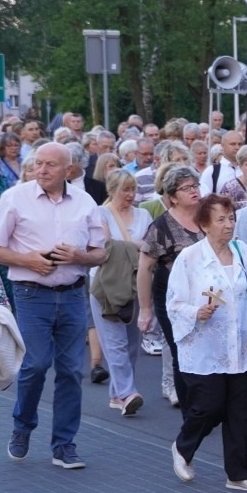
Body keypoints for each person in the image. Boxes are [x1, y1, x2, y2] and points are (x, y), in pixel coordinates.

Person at [166, 194, 247, 489]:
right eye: (220, 219)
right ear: (204, 225)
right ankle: (183, 448)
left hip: (242, 344)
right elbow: (174, 303)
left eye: (231, 218)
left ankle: (239, 474)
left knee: (242, 409)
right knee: (208, 406)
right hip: (204, 346)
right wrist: (196, 311)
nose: (228, 225)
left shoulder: (241, 251)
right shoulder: (190, 258)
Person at [0, 143, 107, 468]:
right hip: (31, 294)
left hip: (73, 294)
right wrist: (27, 260)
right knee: (36, 365)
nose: (41, 170)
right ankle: (22, 427)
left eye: (49, 165)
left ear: (68, 169)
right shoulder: (16, 198)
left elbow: (100, 251)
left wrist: (80, 257)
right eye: (38, 164)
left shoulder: (85, 202)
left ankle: (64, 445)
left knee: (72, 371)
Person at [138, 166, 205, 410]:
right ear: (172, 196)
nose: (194, 191)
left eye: (195, 186)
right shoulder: (162, 226)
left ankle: (206, 401)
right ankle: (190, 406)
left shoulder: (208, 216)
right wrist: (145, 310)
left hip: (207, 293)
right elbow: (145, 268)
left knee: (205, 348)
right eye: (186, 188)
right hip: (172, 296)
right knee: (182, 349)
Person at [89, 169, 152, 416]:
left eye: (133, 189)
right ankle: (128, 393)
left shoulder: (144, 214)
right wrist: (137, 246)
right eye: (125, 189)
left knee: (132, 345)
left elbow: (151, 247)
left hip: (136, 284)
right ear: (111, 190)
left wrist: (134, 247)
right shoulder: (100, 213)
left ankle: (118, 395)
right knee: (114, 342)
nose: (130, 194)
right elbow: (105, 247)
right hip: (106, 286)